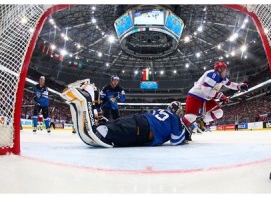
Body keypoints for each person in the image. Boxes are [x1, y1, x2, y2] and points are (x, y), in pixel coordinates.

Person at [61, 80, 191, 148]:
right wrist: (184, 133)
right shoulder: (175, 119)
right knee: (116, 134)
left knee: (116, 125)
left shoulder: (161, 111)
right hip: (144, 130)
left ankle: (99, 125)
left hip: (140, 119)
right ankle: (89, 101)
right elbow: (175, 141)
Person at [181, 61, 248, 130]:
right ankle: (179, 127)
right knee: (190, 117)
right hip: (195, 96)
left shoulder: (221, 77)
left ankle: (203, 120)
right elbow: (205, 90)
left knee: (219, 113)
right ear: (219, 70)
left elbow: (230, 84)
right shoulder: (213, 74)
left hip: (206, 98)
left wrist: (240, 86)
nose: (226, 72)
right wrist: (220, 96)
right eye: (225, 70)